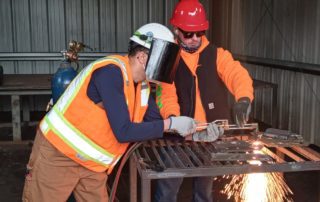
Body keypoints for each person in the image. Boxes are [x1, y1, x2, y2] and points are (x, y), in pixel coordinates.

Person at [22, 23, 198, 202]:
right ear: (142, 57)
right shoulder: (110, 73)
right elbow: (123, 131)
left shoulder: (143, 87)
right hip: (58, 156)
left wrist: (192, 134)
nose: (166, 65)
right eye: (164, 58)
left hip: (93, 167)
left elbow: (158, 127)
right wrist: (170, 124)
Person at [154, 0, 254, 201]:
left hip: (210, 136)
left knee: (204, 194)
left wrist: (243, 98)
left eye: (199, 33)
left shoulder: (217, 55)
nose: (194, 39)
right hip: (177, 139)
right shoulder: (168, 57)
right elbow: (165, 95)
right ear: (176, 30)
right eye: (188, 33)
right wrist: (174, 120)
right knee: (167, 192)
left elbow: (237, 74)